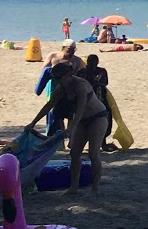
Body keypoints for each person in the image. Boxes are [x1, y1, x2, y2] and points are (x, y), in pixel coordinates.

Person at [23, 62, 107, 192]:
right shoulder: (61, 88)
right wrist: (33, 123)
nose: (58, 81)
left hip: (98, 118)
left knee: (93, 153)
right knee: (74, 153)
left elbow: (80, 109)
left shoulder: (81, 86)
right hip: (81, 121)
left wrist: (71, 128)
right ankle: (73, 187)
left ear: (68, 75)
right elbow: (49, 105)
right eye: (56, 78)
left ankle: (95, 188)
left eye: (60, 77)